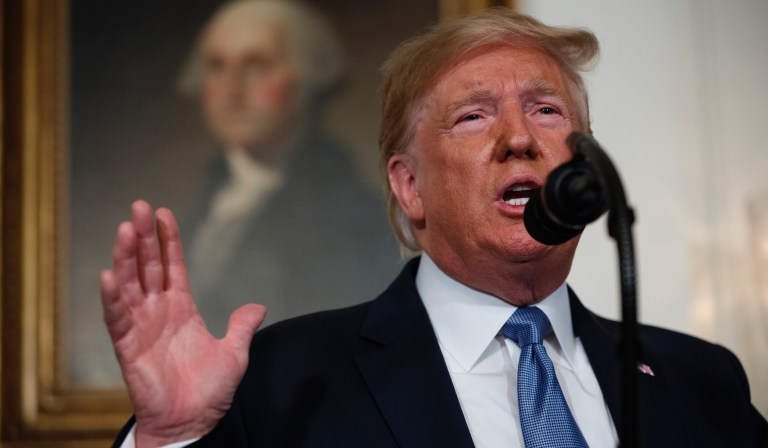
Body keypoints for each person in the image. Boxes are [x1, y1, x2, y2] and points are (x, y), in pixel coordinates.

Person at [102, 8, 768, 447]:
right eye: (474, 117)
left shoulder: (700, 381)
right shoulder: (284, 383)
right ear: (408, 185)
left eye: (545, 110)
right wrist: (170, 439)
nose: (519, 139)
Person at [176, 0, 400, 335]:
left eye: (256, 66)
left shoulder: (354, 216)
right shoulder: (206, 200)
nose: (232, 89)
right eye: (217, 66)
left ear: (304, 77)